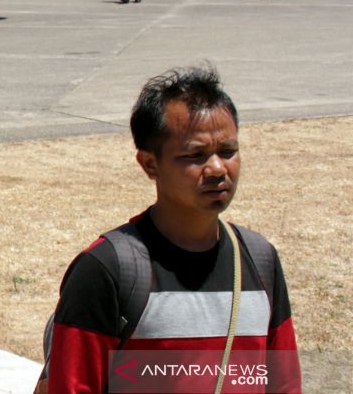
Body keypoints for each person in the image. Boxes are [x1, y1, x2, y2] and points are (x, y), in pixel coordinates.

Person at [39, 66, 301, 394]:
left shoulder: (260, 260)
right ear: (150, 164)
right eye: (196, 155)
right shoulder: (106, 270)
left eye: (228, 152)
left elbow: (284, 385)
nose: (218, 169)